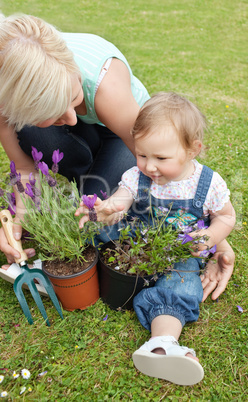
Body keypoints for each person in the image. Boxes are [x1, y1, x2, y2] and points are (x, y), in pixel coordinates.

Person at [0, 13, 234, 305]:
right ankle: (82, 167)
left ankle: (93, 173)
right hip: (87, 134)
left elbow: (162, 175)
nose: (72, 118)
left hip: (123, 138)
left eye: (73, 99)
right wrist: (16, 224)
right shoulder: (5, 94)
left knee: (97, 215)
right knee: (44, 142)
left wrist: (216, 240)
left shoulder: (107, 86)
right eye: (56, 113)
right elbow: (24, 169)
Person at [76, 92, 236, 385]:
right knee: (97, 230)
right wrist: (108, 208)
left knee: (181, 283)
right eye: (142, 154)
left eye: (161, 158)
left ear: (192, 150)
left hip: (179, 251)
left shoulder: (209, 183)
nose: (149, 166)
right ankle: (64, 264)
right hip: (135, 241)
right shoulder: (138, 177)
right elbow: (121, 201)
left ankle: (162, 343)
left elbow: (226, 216)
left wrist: (211, 235)